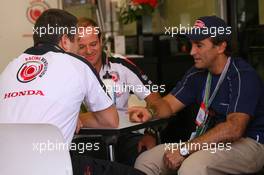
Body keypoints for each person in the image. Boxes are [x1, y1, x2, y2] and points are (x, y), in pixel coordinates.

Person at [0, 9, 144, 175]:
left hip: (6, 165)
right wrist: (74, 116)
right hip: (52, 165)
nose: (81, 49)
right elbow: (110, 122)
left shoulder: (9, 67)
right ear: (65, 41)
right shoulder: (77, 64)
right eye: (77, 41)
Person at [128, 16, 264, 175]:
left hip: (249, 144)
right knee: (146, 160)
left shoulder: (242, 75)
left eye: (199, 45)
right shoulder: (197, 72)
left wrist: (186, 149)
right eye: (191, 44)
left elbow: (234, 129)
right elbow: (168, 105)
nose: (192, 52)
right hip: (207, 141)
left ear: (220, 47)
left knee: (192, 167)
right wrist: (150, 116)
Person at [77, 17, 161, 165]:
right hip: (84, 140)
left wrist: (151, 132)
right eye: (82, 46)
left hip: (123, 136)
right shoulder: (67, 71)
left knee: (143, 156)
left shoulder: (120, 65)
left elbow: (155, 100)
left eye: (93, 44)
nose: (89, 51)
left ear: (101, 40)